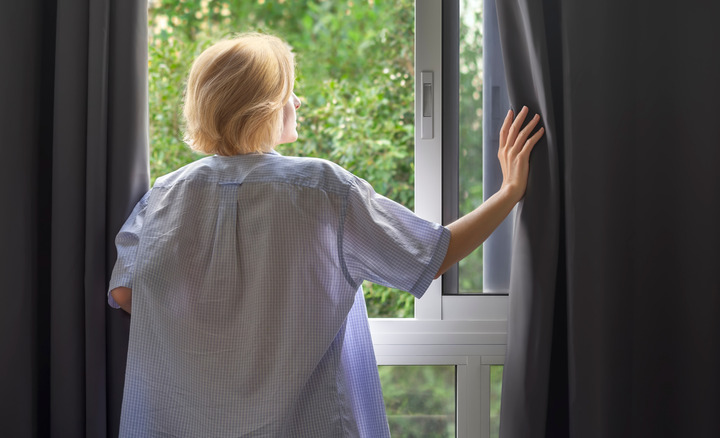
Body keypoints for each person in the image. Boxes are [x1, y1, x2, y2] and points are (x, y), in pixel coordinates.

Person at [108, 33, 543, 437]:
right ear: (263, 107)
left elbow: (126, 295)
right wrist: (508, 193)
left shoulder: (163, 196)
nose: (297, 100)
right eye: (287, 92)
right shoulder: (321, 188)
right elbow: (431, 255)